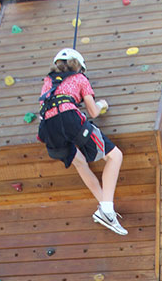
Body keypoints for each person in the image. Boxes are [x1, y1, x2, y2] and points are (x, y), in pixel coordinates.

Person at [37, 48, 127, 235]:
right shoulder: (80, 79)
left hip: (48, 128)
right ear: (80, 67)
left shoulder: (47, 81)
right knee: (115, 156)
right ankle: (107, 209)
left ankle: (106, 210)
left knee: (80, 163)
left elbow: (45, 108)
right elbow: (93, 111)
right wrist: (103, 104)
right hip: (69, 118)